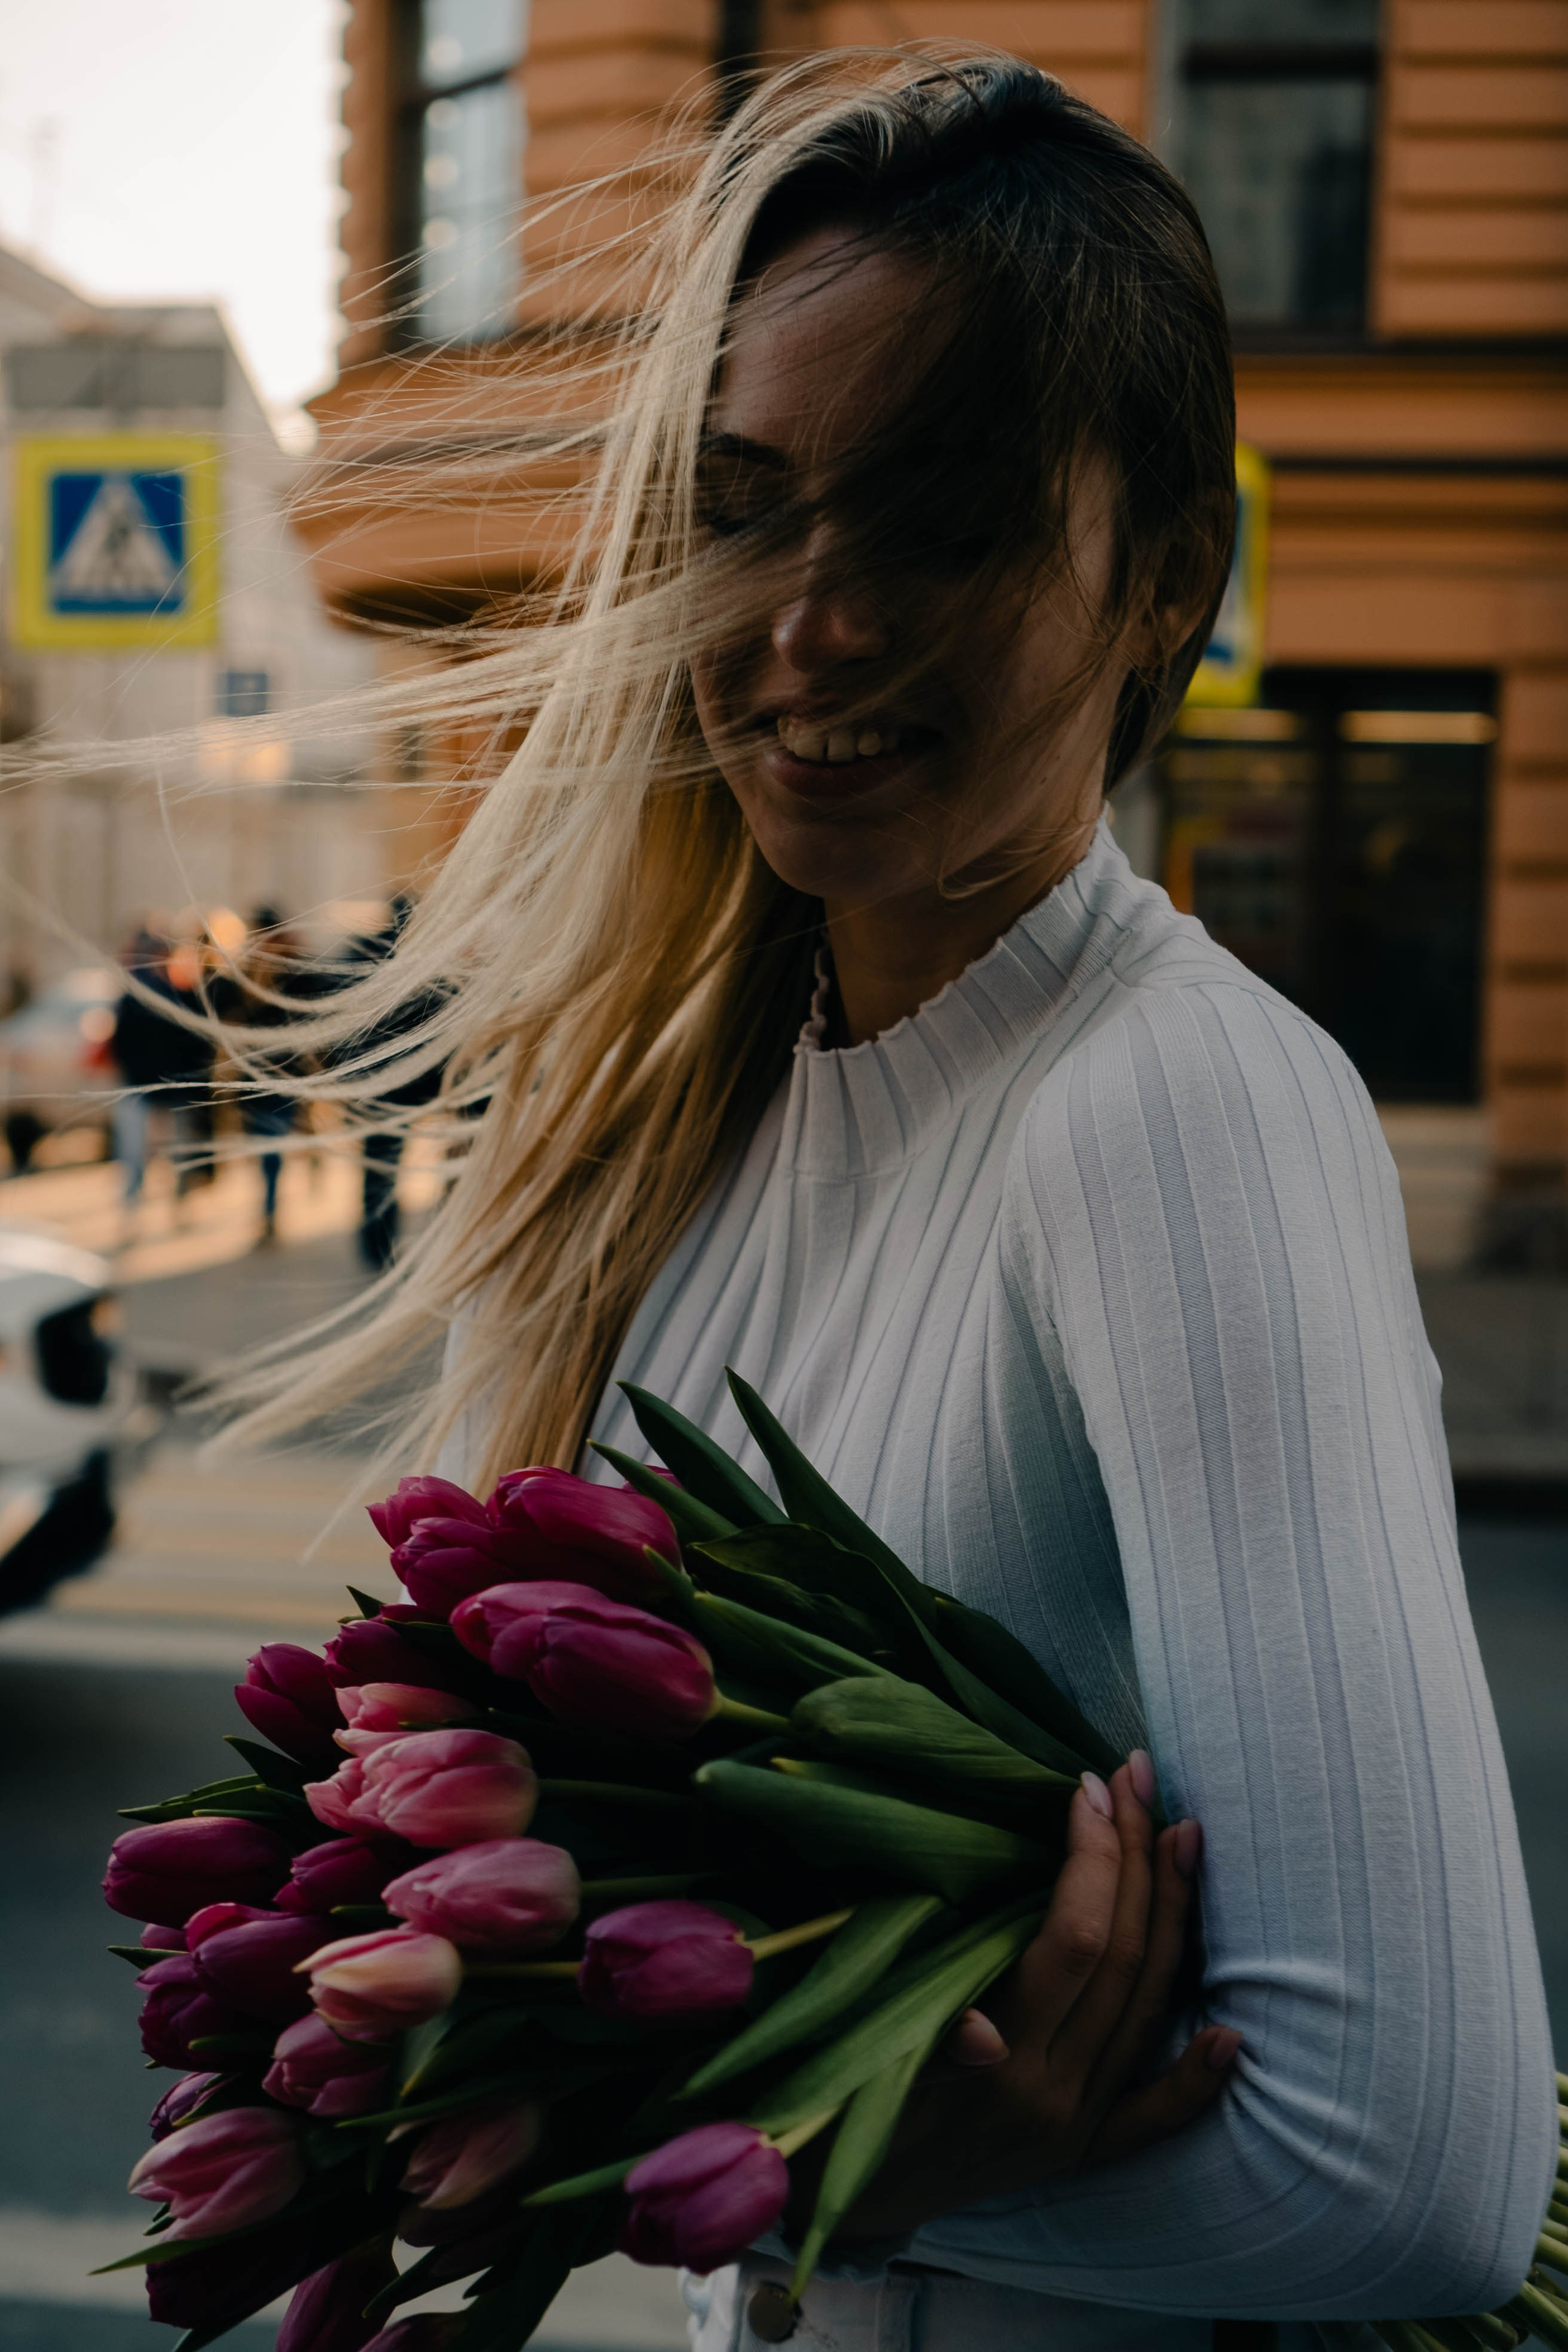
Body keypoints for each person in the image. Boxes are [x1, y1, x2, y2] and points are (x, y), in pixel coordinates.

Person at [225, 52, 1553, 2350]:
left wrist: (752, 2171)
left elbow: (1412, 2171)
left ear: (1162, 580)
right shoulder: (693, 1116)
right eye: (744, 513)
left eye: (936, 520)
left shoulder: (1179, 1112)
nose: (809, 627)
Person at [109, 927, 216, 1208]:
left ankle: (138, 1206)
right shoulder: (172, 994)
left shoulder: (141, 995)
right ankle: (169, 1203)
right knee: (163, 1151)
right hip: (159, 1084)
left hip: (149, 1085)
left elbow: (120, 1043)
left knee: (141, 1153)